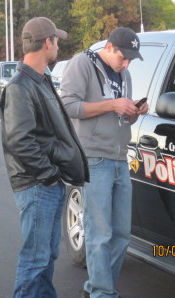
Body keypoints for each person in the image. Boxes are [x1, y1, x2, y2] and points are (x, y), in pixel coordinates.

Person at [0, 17, 89, 298]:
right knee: (35, 260)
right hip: (37, 186)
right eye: (57, 40)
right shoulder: (20, 86)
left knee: (46, 257)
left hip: (47, 185)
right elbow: (20, 141)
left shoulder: (41, 80)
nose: (58, 44)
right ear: (47, 42)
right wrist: (49, 177)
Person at [60, 27, 149, 298]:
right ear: (109, 47)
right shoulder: (82, 64)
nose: (127, 63)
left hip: (121, 157)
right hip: (94, 157)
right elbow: (68, 105)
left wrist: (134, 110)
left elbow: (122, 116)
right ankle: (102, 293)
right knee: (100, 234)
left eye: (132, 59)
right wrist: (112, 105)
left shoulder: (125, 74)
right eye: (124, 57)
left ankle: (96, 287)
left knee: (121, 235)